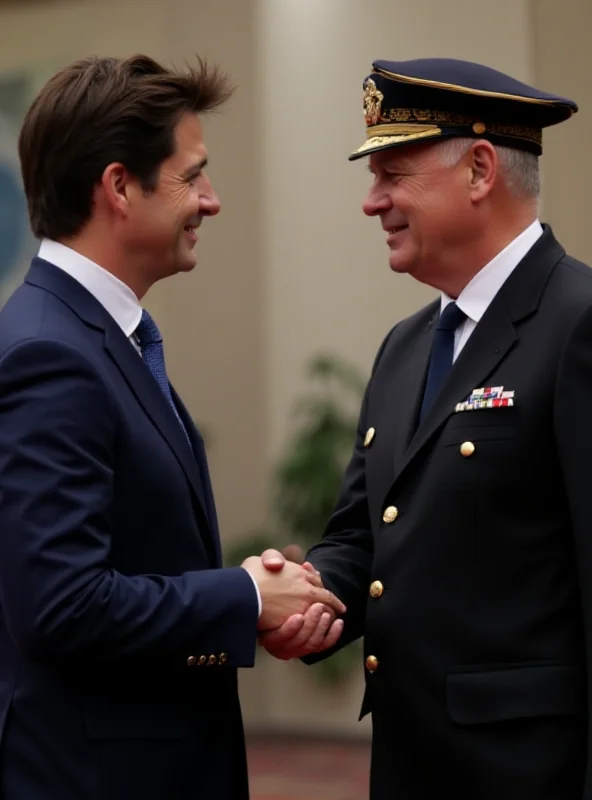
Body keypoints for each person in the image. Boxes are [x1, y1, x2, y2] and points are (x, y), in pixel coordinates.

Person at [0, 53, 345, 800]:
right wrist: (245, 596)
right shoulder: (49, 354)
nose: (211, 201)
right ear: (120, 187)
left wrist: (256, 600)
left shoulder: (91, 336)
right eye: (192, 177)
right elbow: (60, 605)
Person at [260, 58, 592, 798]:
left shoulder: (578, 324)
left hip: (532, 773)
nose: (372, 203)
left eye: (393, 174)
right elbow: (362, 534)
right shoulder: (406, 346)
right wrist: (314, 598)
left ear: (480, 170)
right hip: (410, 765)